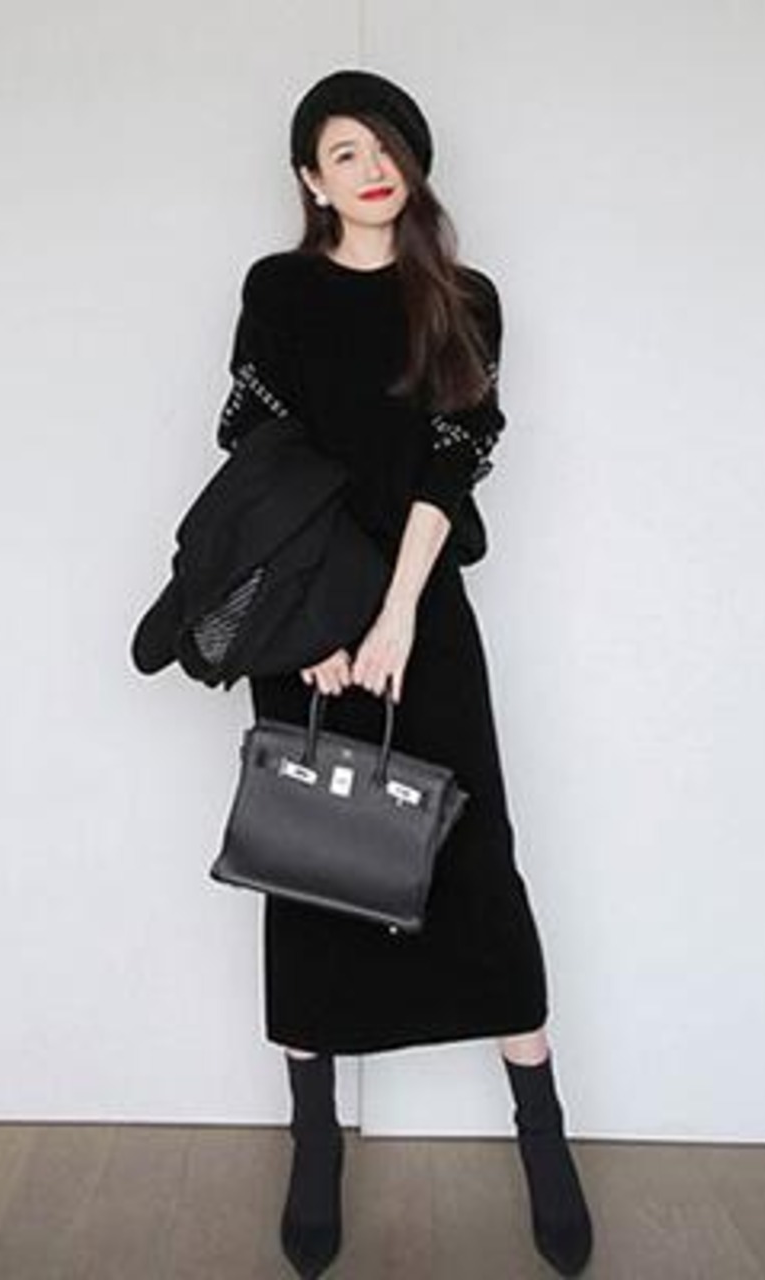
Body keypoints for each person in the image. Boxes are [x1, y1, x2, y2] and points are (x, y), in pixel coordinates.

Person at [215, 69, 594, 1278]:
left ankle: (541, 1129)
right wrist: (314, 625)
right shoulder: (277, 290)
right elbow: (257, 452)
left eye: (385, 148)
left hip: (417, 614)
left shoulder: (461, 298)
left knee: (474, 861)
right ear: (309, 180)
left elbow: (451, 460)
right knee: (311, 867)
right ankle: (315, 1138)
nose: (370, 168)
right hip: (300, 616)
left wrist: (393, 617)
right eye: (343, 153)